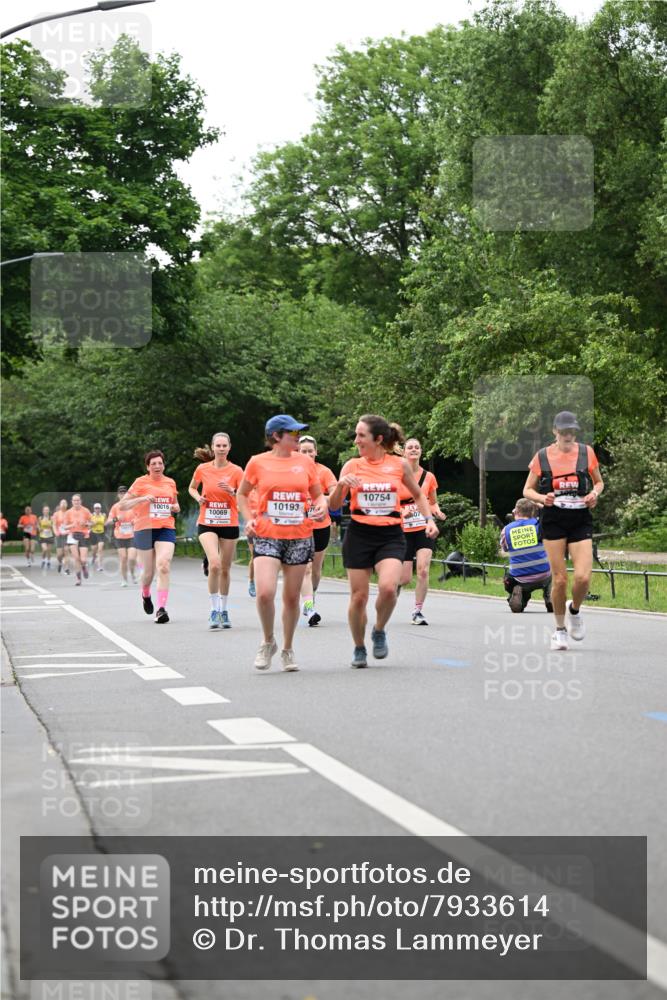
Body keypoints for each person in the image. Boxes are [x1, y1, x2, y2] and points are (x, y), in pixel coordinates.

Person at [327, 415, 439, 668]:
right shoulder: (351, 466)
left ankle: (378, 629)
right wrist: (340, 487)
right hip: (359, 534)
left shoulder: (398, 466)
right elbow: (333, 506)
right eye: (356, 435)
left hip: (390, 535)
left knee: (389, 588)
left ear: (378, 439)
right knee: (359, 597)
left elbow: (419, 494)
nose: (356, 440)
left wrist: (429, 519)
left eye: (361, 436)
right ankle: (358, 646)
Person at [237, 414, 327, 672]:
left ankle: (287, 648)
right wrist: (248, 519)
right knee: (265, 593)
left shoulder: (305, 463)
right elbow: (242, 494)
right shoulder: (257, 462)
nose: (298, 438)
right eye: (293, 433)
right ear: (276, 436)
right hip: (267, 533)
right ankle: (268, 641)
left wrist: (320, 508)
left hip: (299, 535)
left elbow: (318, 496)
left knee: (290, 598)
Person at [523, 411, 604, 650]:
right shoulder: (542, 457)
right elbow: (527, 490)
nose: (568, 435)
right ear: (554, 432)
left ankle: (575, 611)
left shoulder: (586, 452)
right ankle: (559, 631)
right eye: (563, 431)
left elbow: (599, 482)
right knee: (559, 580)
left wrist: (594, 494)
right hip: (554, 520)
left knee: (583, 576)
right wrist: (542, 497)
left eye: (572, 431)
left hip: (580, 518)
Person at [188, 432, 244, 629]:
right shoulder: (202, 469)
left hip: (229, 522)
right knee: (214, 564)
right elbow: (192, 488)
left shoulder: (237, 471)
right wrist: (198, 498)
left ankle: (224, 609)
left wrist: (233, 491)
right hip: (208, 521)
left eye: (224, 445)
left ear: (229, 447)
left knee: (226, 569)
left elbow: (247, 497)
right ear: (213, 448)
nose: (221, 449)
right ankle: (213, 610)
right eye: (218, 445)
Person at [119, 451, 179, 623]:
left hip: (165, 527)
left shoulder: (170, 482)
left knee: (164, 565)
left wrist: (175, 508)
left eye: (160, 463)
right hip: (144, 529)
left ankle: (161, 609)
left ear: (164, 465)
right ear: (148, 467)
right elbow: (123, 505)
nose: (157, 466)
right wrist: (143, 498)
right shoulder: (140, 482)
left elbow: (175, 504)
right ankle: (145, 594)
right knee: (148, 573)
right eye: (153, 464)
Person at [399, 437, 446, 625]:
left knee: (423, 571)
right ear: (404, 451)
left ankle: (417, 611)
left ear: (421, 451)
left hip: (423, 528)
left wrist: (437, 511)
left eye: (417, 447)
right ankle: (390, 591)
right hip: (402, 530)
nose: (413, 450)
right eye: (409, 447)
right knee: (404, 577)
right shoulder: (397, 475)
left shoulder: (429, 477)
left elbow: (432, 501)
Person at [298, 434, 337, 626]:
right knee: (306, 567)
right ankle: (309, 606)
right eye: (303, 451)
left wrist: (322, 501)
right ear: (298, 452)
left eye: (310, 451)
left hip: (321, 525)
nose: (307, 454)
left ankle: (310, 596)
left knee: (316, 569)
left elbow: (336, 494)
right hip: (299, 526)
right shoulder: (293, 471)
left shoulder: (324, 472)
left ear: (316, 452)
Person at [500, 499, 553, 613]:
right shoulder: (539, 526)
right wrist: (540, 507)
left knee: (508, 577)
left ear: (516, 511)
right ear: (533, 511)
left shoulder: (507, 530)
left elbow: (504, 548)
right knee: (553, 568)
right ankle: (550, 595)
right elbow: (551, 516)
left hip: (520, 577)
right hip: (543, 575)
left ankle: (520, 594)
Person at [107, 487, 137, 587]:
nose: (123, 494)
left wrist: (135, 521)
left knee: (132, 558)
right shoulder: (115, 507)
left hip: (132, 535)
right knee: (123, 558)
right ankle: (124, 579)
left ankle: (132, 574)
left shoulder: (133, 505)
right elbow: (108, 522)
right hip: (119, 535)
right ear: (118, 495)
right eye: (121, 493)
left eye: (124, 492)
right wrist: (116, 519)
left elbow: (140, 518)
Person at [63, 494, 92, 585]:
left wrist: (87, 524)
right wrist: (72, 525)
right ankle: (78, 579)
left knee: (83, 559)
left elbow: (92, 522)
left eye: (78, 500)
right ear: (72, 502)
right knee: (76, 558)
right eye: (74, 500)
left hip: (83, 535)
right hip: (72, 535)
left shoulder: (86, 510)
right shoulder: (68, 512)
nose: (76, 502)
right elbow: (64, 527)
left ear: (81, 501)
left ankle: (84, 567)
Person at [52, 499, 71, 574]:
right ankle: (60, 562)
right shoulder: (56, 514)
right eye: (62, 503)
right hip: (59, 535)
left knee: (66, 550)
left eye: (65, 503)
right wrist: (56, 532)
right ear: (60, 505)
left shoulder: (69, 513)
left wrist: (69, 531)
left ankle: (66, 568)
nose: (63, 504)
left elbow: (72, 523)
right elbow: (53, 524)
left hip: (67, 535)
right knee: (59, 554)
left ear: (67, 505)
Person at [89, 503, 107, 571]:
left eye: (98, 508)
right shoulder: (91, 515)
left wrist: (104, 524)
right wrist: (92, 524)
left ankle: (100, 566)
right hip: (93, 533)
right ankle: (94, 557)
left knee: (100, 549)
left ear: (100, 508)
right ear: (94, 509)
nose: (97, 509)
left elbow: (106, 523)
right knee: (94, 549)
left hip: (101, 533)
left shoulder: (103, 515)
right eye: (96, 508)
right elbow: (88, 525)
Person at [38, 505, 54, 570]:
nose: (46, 511)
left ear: (49, 511)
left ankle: (49, 562)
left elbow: (53, 526)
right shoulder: (40, 518)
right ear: (43, 511)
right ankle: (43, 560)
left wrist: (51, 527)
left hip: (50, 536)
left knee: (49, 551)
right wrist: (39, 529)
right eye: (45, 510)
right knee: (45, 549)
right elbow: (38, 526)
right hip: (43, 536)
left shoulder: (51, 518)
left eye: (47, 510)